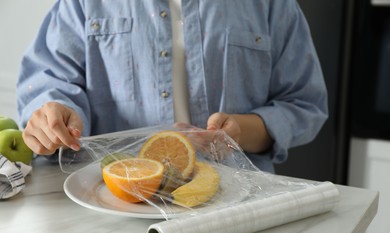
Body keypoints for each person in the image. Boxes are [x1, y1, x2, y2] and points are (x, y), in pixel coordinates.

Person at [16, 0, 328, 173]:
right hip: (111, 197)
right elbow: (49, 80)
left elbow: (304, 103)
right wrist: (56, 112)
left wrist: (240, 131)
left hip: (238, 203)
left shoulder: (272, 4)